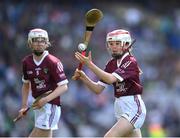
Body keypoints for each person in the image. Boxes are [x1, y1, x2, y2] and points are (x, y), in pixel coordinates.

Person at [73, 29, 146, 137]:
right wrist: (84, 78)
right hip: (120, 108)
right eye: (111, 44)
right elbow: (98, 89)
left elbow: (110, 79)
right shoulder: (111, 64)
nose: (113, 47)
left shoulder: (130, 61)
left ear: (126, 44)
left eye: (117, 43)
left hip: (133, 108)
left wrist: (89, 64)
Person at [18, 28, 68, 137]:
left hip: (50, 105)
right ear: (30, 43)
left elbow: (64, 86)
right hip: (38, 105)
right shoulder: (26, 62)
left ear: (47, 43)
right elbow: (26, 85)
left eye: (43, 40)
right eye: (36, 40)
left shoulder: (53, 61)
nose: (39, 43)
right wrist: (24, 105)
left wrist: (45, 99)